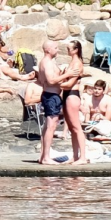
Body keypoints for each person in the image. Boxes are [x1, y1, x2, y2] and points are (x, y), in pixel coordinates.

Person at [36, 31, 88, 166]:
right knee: (69, 127)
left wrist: (58, 81)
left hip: (71, 95)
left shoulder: (76, 64)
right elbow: (50, 80)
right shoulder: (61, 63)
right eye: (57, 48)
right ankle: (75, 156)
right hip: (60, 95)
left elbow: (70, 83)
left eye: (68, 48)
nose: (63, 50)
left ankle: (82, 157)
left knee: (76, 127)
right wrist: (61, 78)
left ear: (76, 50)